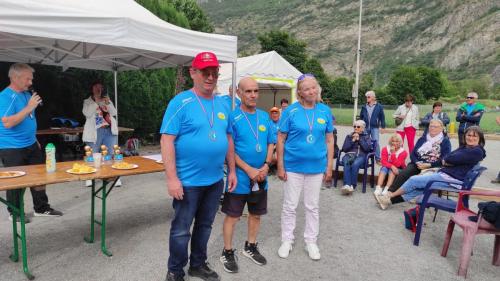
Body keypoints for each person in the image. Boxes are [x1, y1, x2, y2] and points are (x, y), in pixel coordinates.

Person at [160, 51, 237, 281]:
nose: (210, 77)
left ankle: (197, 264)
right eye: (205, 72)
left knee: (205, 225)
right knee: (182, 230)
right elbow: (166, 140)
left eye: (214, 72)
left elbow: (229, 138)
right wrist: (172, 178)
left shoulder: (223, 104)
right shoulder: (180, 102)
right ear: (193, 72)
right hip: (188, 182)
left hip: (214, 180)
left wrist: (232, 170)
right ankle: (175, 271)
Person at [219, 77, 275, 273]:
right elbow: (229, 150)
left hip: (261, 176)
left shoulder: (264, 116)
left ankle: (250, 246)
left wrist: (267, 165)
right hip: (240, 178)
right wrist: (249, 169)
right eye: (248, 91)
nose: (253, 95)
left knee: (256, 214)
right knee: (233, 217)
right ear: (239, 93)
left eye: (256, 91)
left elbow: (271, 142)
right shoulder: (232, 118)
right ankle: (227, 251)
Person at [276, 73, 334, 260]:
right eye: (306, 88)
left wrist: (329, 167)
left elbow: (330, 139)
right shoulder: (290, 111)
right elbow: (281, 138)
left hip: (316, 167)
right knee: (290, 205)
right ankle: (287, 239)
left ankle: (311, 241)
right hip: (293, 166)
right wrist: (280, 166)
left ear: (317, 88)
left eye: (313, 87)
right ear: (300, 92)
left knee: (312, 206)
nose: (311, 91)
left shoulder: (324, 110)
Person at [0, 63, 63, 222]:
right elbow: (8, 123)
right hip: (12, 147)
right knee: (16, 181)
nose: (30, 82)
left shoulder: (27, 94)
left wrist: (34, 139)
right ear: (15, 77)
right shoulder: (5, 97)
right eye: (28, 79)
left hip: (31, 144)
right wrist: (29, 107)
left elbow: (30, 119)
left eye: (31, 79)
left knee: (39, 177)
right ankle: (14, 212)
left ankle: (41, 208)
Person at [374, 126, 486, 210]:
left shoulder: (476, 151)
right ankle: (388, 201)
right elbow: (448, 157)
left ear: (480, 138)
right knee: (418, 188)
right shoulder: (465, 148)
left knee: (414, 180)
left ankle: (388, 196)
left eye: (474, 136)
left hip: (452, 180)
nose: (470, 138)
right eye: (469, 135)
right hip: (448, 175)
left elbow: (450, 158)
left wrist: (448, 161)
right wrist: (448, 160)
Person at [386, 119, 451, 193]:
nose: (432, 128)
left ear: (441, 128)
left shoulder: (445, 141)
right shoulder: (422, 139)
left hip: (433, 166)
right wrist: (417, 162)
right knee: (404, 173)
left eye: (435, 127)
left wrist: (429, 165)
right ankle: (390, 192)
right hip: (418, 164)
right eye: (431, 126)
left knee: (419, 178)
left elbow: (445, 158)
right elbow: (413, 153)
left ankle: (409, 196)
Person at [82, 80, 121, 187]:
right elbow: (87, 113)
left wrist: (108, 102)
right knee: (92, 153)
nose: (99, 89)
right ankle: (89, 176)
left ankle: (112, 176)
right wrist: (96, 101)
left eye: (101, 87)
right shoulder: (88, 101)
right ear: (92, 89)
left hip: (109, 130)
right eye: (96, 87)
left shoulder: (106, 100)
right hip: (95, 131)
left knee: (110, 154)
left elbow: (114, 113)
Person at [339, 120, 373, 195]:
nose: (356, 128)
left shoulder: (366, 137)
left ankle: (352, 185)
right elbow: (344, 149)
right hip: (349, 155)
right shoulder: (349, 136)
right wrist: (353, 140)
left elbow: (367, 149)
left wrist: (359, 140)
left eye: (358, 126)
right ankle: (347, 185)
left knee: (355, 164)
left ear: (363, 128)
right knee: (347, 162)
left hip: (361, 156)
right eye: (354, 126)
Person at [359, 90, 385, 162]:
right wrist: (360, 125)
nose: (367, 98)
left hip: (375, 127)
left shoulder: (379, 106)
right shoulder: (364, 106)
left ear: (373, 98)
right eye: (366, 97)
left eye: (368, 97)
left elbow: (382, 117)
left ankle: (377, 158)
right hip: (365, 127)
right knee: (364, 142)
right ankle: (364, 158)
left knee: (376, 142)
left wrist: (383, 127)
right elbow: (361, 117)